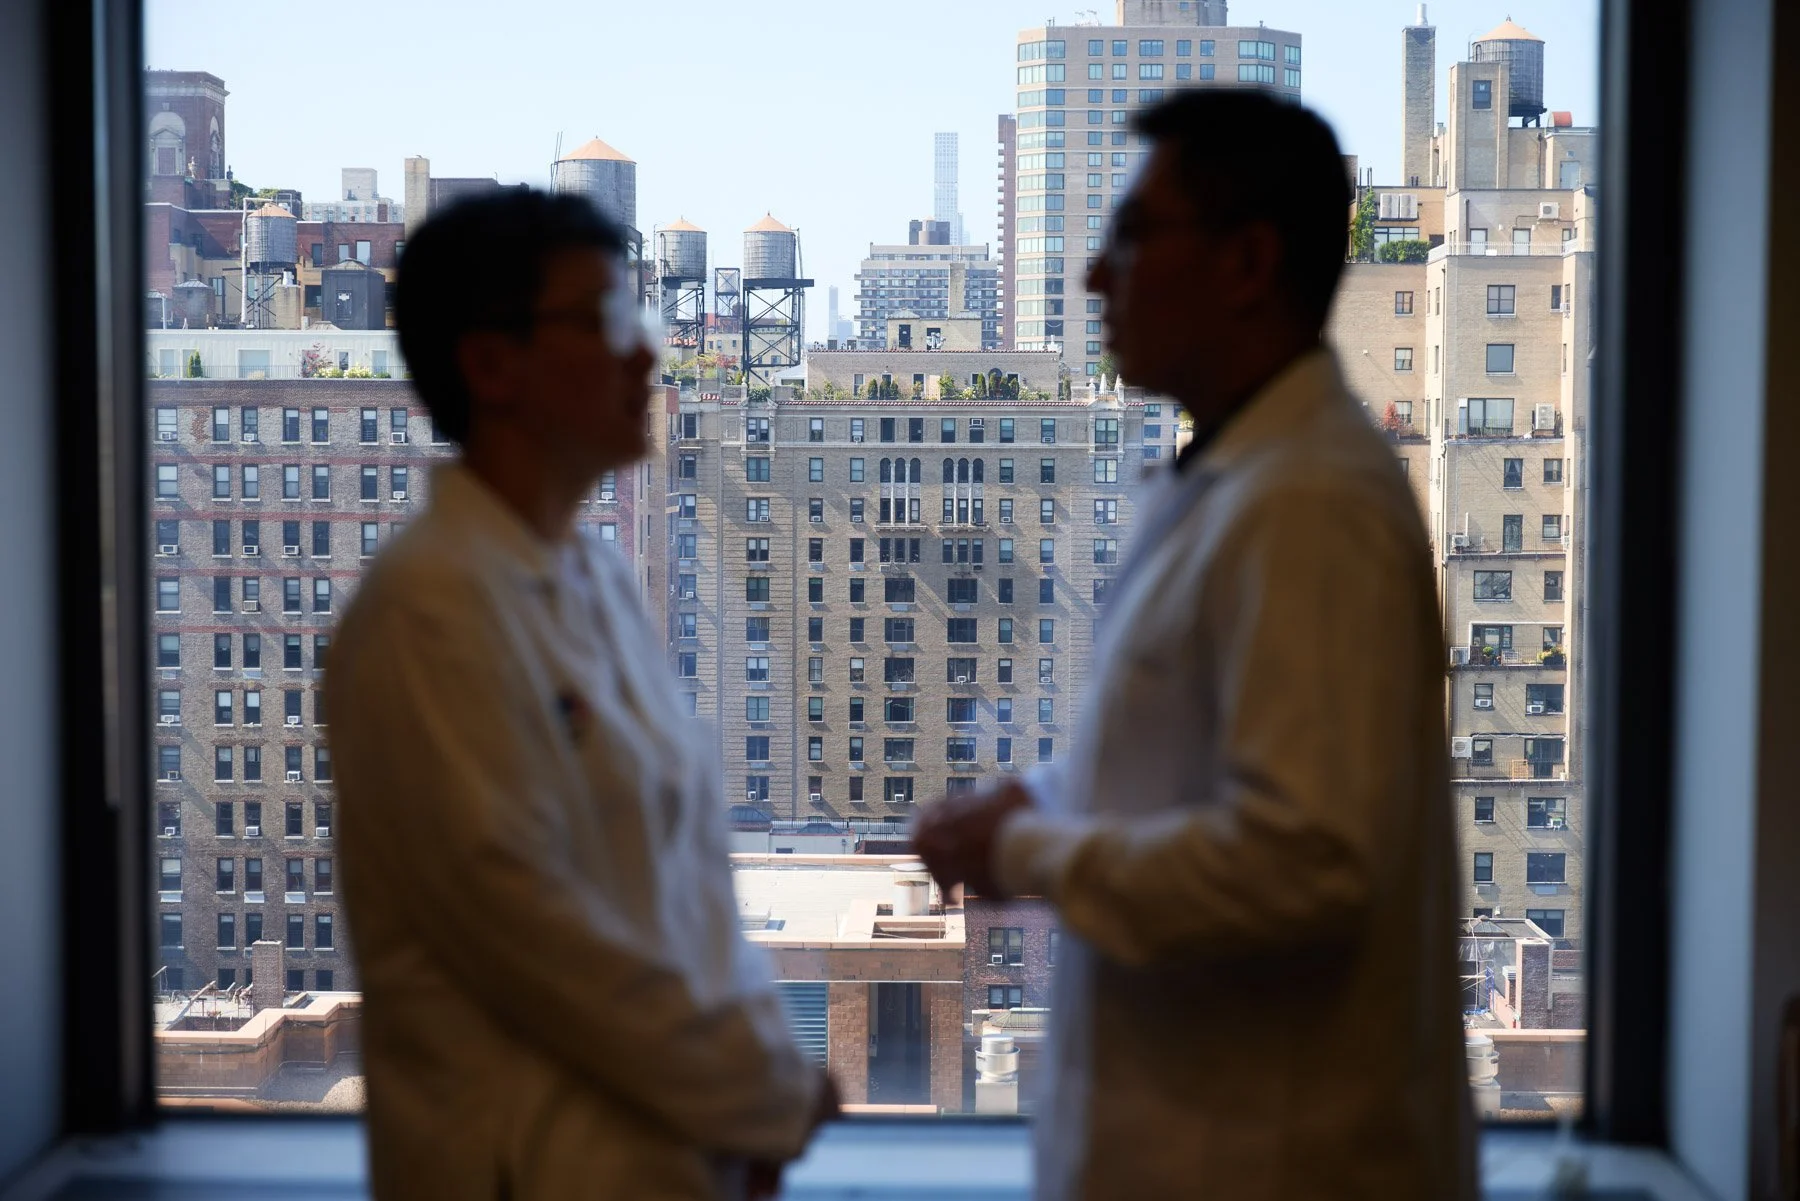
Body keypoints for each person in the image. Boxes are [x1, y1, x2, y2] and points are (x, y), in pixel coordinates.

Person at [912, 91, 1476, 1200]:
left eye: (1131, 237)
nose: (1092, 278)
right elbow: (1176, 756)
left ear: (1246, 262)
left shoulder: (1311, 505)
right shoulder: (1236, 479)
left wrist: (1025, 854)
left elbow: (1303, 864)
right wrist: (1030, 797)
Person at [328, 189, 834, 1201]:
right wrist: (758, 1089)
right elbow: (536, 940)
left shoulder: (596, 577)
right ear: (490, 364)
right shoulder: (424, 613)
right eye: (607, 323)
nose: (647, 356)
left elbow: (689, 882)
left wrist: (754, 1083)